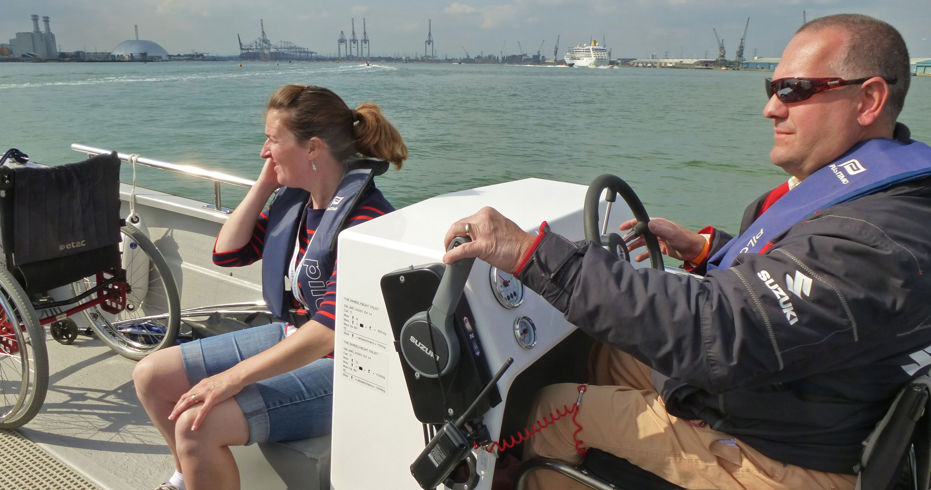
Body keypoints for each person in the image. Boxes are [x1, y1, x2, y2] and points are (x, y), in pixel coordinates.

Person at [444, 14, 931, 490]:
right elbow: (801, 283)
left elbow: (719, 331)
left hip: (792, 455)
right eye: (772, 88)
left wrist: (530, 255)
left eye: (795, 90)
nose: (771, 109)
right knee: (609, 352)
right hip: (799, 399)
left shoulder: (875, 237)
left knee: (555, 408)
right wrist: (704, 249)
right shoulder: (869, 198)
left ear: (868, 99)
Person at [133, 84, 407, 490]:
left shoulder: (364, 222)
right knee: (150, 375)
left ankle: (196, 462)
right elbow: (226, 254)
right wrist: (265, 184)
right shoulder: (298, 204)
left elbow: (328, 331)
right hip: (293, 333)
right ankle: (186, 476)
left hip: (347, 368)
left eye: (273, 140)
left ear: (312, 148)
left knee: (196, 424)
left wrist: (233, 378)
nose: (264, 150)